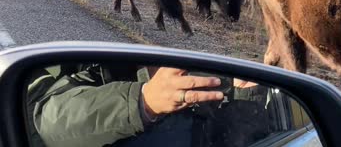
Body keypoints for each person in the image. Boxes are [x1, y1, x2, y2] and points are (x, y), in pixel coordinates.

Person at [26, 63, 270, 147]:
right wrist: (142, 103)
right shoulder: (98, 73)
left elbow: (228, 136)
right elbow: (50, 120)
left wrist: (246, 93)